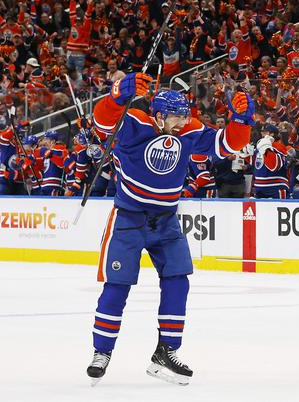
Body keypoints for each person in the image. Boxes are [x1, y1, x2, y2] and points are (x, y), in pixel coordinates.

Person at [85, 73, 254, 385]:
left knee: (178, 279)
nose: (181, 123)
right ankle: (102, 351)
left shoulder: (189, 129)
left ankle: (167, 350)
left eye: (184, 116)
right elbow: (103, 124)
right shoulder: (135, 121)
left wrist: (241, 120)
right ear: (159, 115)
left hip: (166, 220)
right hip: (128, 218)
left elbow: (226, 144)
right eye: (176, 117)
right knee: (117, 285)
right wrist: (117, 97)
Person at [253, 124, 293, 199]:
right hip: (260, 186)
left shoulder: (278, 147)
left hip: (276, 186)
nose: (262, 134)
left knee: (280, 209)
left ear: (272, 134)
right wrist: (246, 155)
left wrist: (267, 149)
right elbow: (257, 166)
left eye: (265, 132)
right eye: (262, 132)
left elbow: (274, 166)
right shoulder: (259, 146)